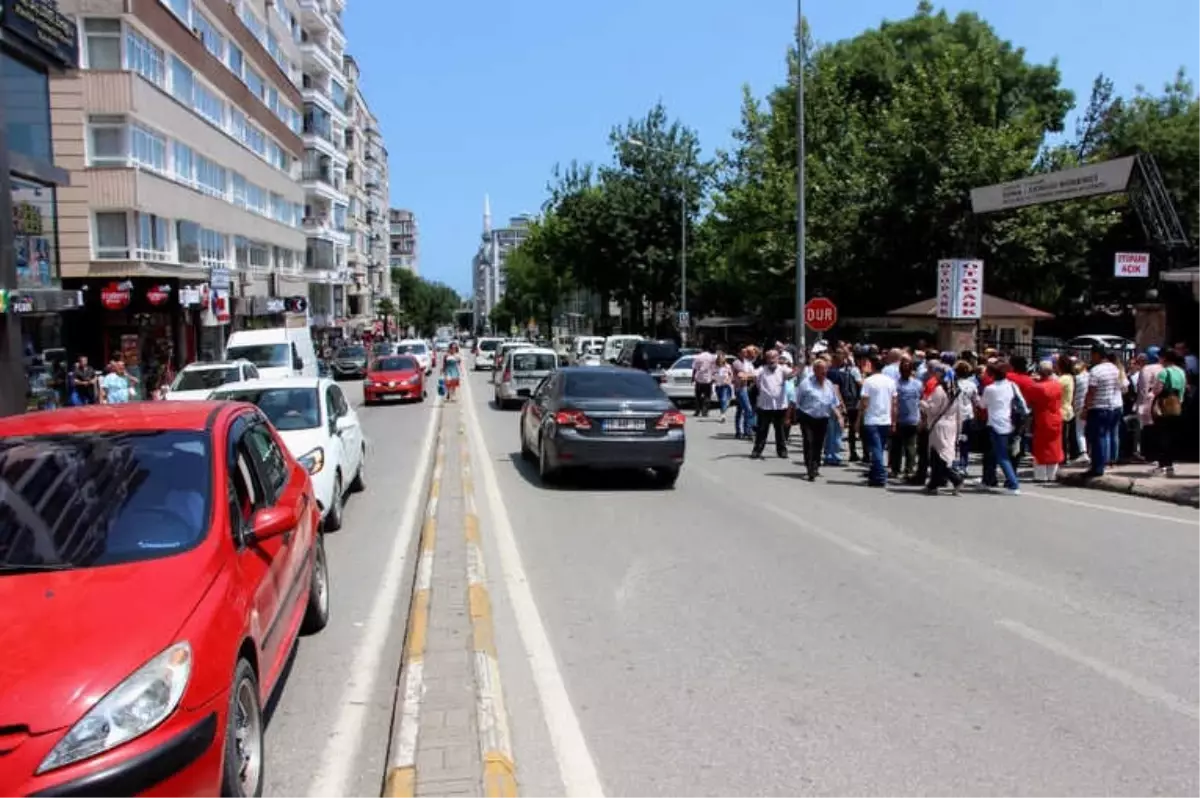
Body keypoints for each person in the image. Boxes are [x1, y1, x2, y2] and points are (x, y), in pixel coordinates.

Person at [975, 362, 1024, 494]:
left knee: (1002, 456)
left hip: (995, 424)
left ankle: (1013, 484)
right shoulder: (1011, 385)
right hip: (1008, 422)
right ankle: (988, 479)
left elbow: (982, 405)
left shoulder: (990, 389)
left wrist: (976, 398)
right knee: (994, 454)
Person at [921, 364, 964, 495]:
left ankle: (955, 479)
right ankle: (934, 483)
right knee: (940, 454)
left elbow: (932, 409)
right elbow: (959, 413)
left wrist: (923, 403)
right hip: (951, 425)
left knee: (939, 455)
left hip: (939, 424)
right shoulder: (957, 391)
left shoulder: (940, 390)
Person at [794, 358, 840, 480]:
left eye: (826, 369)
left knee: (819, 443)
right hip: (807, 417)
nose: (824, 372)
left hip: (823, 418)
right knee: (809, 442)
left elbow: (833, 403)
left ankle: (815, 465)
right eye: (821, 369)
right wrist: (792, 415)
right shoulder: (806, 383)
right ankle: (810, 468)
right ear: (814, 370)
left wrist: (839, 416)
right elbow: (796, 400)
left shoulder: (829, 384)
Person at [858, 356, 897, 488]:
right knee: (879, 447)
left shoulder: (868, 382)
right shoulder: (890, 382)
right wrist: (894, 420)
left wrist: (860, 419)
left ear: (872, 366)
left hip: (872, 419)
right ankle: (875, 475)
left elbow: (864, 402)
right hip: (885, 419)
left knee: (876, 449)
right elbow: (894, 403)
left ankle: (880, 476)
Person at [750, 349, 794, 460]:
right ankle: (757, 451)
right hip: (765, 406)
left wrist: (800, 365)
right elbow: (753, 374)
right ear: (766, 359)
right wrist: (745, 375)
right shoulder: (762, 369)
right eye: (769, 357)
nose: (771, 360)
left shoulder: (782, 369)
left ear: (778, 358)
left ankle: (782, 451)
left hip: (779, 406)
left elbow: (793, 373)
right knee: (762, 430)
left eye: (774, 357)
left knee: (780, 431)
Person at [1027, 361, 1064, 482]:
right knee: (1054, 446)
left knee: (1041, 446)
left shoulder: (1037, 387)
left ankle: (1040, 475)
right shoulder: (1057, 385)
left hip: (1042, 418)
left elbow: (1030, 402)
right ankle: (1052, 474)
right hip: (1056, 416)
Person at [1152, 349, 1187, 477]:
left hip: (1164, 406)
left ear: (1164, 359)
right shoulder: (1181, 372)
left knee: (1163, 436)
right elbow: (1183, 389)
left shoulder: (1164, 372)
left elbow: (1157, 390)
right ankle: (1170, 465)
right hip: (1177, 405)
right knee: (1172, 436)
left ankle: (1162, 465)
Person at [888, 359, 922, 480]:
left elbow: (920, 401)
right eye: (904, 369)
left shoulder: (917, 384)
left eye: (908, 369)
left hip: (912, 419)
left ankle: (908, 469)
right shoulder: (895, 384)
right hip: (899, 419)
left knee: (910, 447)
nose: (906, 371)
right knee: (898, 446)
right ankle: (896, 469)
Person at [691, 343, 717, 418]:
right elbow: (715, 368)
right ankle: (705, 411)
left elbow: (695, 368)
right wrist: (714, 377)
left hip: (699, 379)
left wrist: (692, 378)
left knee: (698, 396)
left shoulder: (698, 357)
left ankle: (697, 411)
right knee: (707, 396)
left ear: (702, 349)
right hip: (708, 379)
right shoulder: (712, 357)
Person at [713, 353, 733, 422]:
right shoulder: (715, 366)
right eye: (719, 358)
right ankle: (723, 412)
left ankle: (723, 415)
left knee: (723, 399)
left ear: (724, 359)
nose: (720, 359)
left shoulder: (727, 366)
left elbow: (731, 375)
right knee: (721, 400)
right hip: (718, 385)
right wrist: (713, 378)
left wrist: (729, 380)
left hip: (725, 385)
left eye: (722, 358)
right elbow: (712, 374)